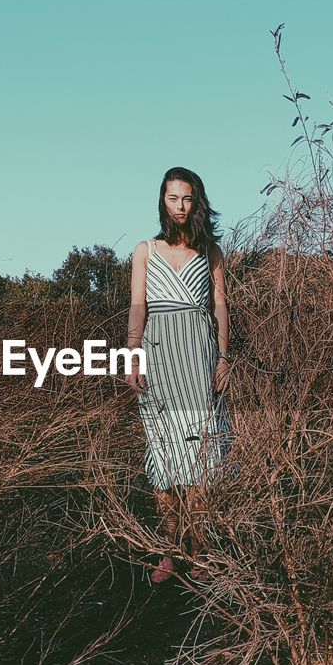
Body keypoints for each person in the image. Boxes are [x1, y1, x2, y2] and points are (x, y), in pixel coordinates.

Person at [124, 167, 234, 583]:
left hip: (201, 355)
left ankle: (200, 549)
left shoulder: (212, 252)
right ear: (162, 201)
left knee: (203, 453)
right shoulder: (145, 250)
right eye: (173, 199)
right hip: (159, 355)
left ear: (197, 201)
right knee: (164, 452)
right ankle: (169, 551)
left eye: (187, 199)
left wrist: (225, 358)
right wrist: (131, 357)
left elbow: (221, 307)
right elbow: (139, 307)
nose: (180, 207)